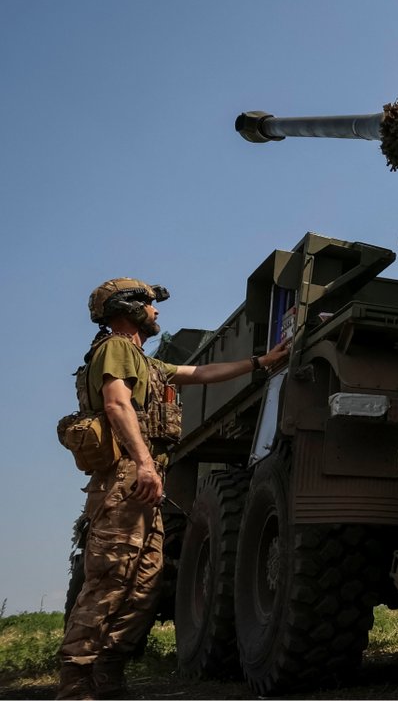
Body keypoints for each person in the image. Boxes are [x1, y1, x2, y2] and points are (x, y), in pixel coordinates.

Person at [57, 279, 289, 699]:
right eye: (149, 304)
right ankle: (75, 686)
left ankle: (107, 678)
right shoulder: (116, 348)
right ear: (127, 308)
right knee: (109, 583)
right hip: (126, 480)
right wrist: (145, 462)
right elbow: (116, 404)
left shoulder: (143, 360)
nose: (157, 312)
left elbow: (199, 372)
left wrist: (261, 363)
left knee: (144, 585)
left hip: (143, 484)